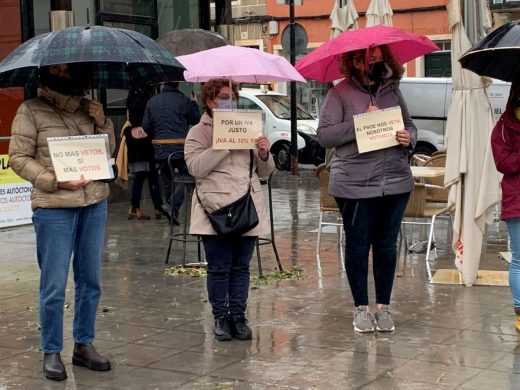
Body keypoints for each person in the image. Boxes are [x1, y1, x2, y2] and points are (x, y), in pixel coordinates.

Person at [8, 63, 114, 381]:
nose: (68, 74)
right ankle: (51, 350)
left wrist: (103, 122)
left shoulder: (87, 108)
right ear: (48, 74)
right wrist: (53, 180)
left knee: (90, 281)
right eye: (61, 69)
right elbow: (17, 157)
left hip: (93, 203)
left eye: (70, 68)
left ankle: (83, 344)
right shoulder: (30, 110)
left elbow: (105, 152)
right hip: (54, 207)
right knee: (53, 285)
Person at [317, 45, 417, 333]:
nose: (372, 62)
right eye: (365, 58)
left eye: (377, 57)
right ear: (354, 62)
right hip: (354, 184)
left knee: (386, 245)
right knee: (358, 246)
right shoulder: (339, 94)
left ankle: (383, 308)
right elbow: (324, 136)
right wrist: (361, 122)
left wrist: (407, 137)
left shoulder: (393, 92)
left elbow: (411, 126)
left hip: (395, 181)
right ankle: (361, 308)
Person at [184, 78, 275, 341]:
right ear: (210, 100)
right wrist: (223, 143)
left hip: (247, 206)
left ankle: (238, 315)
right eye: (223, 96)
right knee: (219, 267)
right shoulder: (198, 132)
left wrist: (264, 153)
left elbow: (266, 172)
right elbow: (196, 168)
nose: (229, 101)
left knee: (241, 267)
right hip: (214, 209)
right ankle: (220, 317)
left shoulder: (249, 127)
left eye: (233, 96)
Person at [143, 81, 200, 224]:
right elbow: (195, 119)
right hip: (180, 148)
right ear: (178, 85)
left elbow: (146, 126)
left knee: (167, 179)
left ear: (163, 84)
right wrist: (194, 103)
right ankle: (173, 205)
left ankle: (171, 210)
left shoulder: (152, 101)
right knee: (188, 175)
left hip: (160, 148)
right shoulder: (184, 100)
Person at [491, 76, 520, 332]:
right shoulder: (503, 127)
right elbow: (503, 164)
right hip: (517, 199)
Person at [124, 88, 165, 220]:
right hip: (144, 139)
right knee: (148, 175)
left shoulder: (130, 99)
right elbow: (149, 120)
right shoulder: (145, 100)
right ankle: (155, 207)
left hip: (133, 137)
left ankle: (138, 207)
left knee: (142, 176)